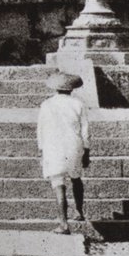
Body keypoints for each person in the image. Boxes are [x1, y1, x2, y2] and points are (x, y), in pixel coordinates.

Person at [37, 71, 90, 234]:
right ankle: (79, 211)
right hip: (74, 145)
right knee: (76, 178)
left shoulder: (46, 105)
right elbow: (85, 131)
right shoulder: (78, 104)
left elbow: (40, 130)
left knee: (58, 184)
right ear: (71, 89)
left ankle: (63, 223)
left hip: (53, 146)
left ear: (55, 89)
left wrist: (41, 150)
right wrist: (86, 151)